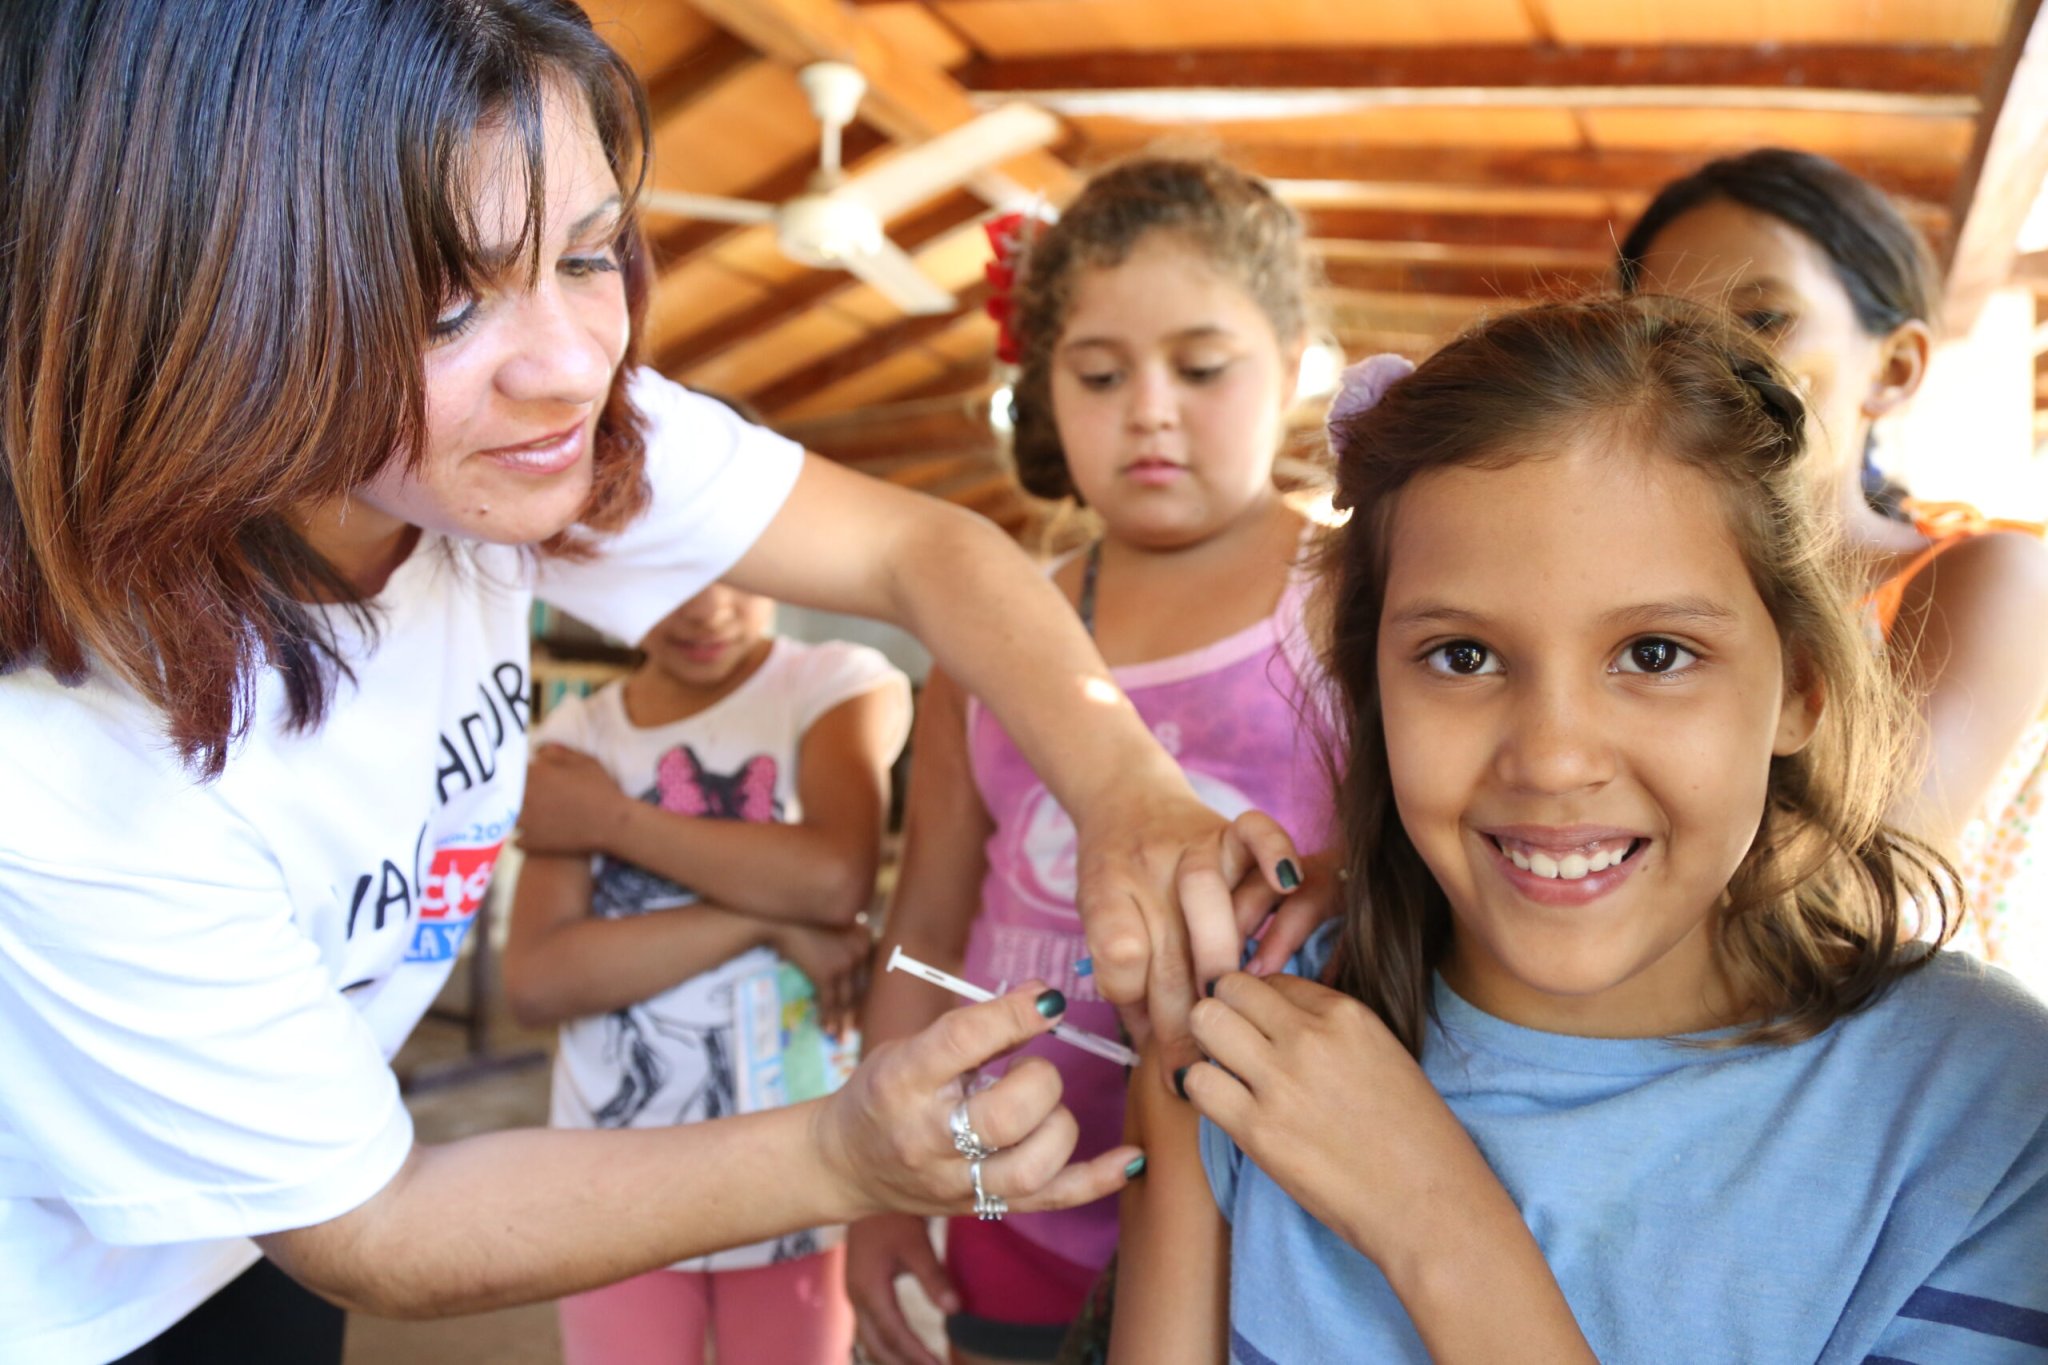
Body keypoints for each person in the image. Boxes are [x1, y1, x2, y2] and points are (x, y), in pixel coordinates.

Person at [0, 5, 1305, 1362]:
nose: (573, 361)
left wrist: (1126, 786)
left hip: (253, 1219)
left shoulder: (511, 444)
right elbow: (379, 1222)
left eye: (587, 252)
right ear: (209, 311)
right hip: (73, 1297)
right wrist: (840, 1156)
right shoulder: (69, 756)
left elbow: (922, 549)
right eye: (450, 302)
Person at [1108, 297, 2048, 1362]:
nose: (1551, 758)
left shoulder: (1978, 1113)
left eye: (1652, 654)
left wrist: (1440, 1231)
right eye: (1461, 656)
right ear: (1372, 689)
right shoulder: (1246, 1052)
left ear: (1801, 687)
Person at [847, 157, 1337, 1365]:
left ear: (1293, 362)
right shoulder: (988, 631)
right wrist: (871, 1178)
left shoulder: (1352, 603)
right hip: (1007, 1188)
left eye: (1201, 366)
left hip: (1273, 1214)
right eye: (1100, 374)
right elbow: (928, 913)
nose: (1150, 410)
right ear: (1042, 390)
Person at [1619, 148, 2048, 984]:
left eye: (1766, 318)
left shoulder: (1994, 575)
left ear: (1895, 368)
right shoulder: (1618, 597)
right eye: (1663, 333)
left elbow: (1851, 892)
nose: (1707, 362)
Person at [503, 580, 909, 1365]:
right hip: (609, 1189)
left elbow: (832, 877)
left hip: (798, 1170)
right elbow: (540, 978)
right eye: (669, 577)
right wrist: (765, 916)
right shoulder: (577, 737)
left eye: (737, 572)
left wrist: (613, 820)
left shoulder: (831, 683)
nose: (705, 608)